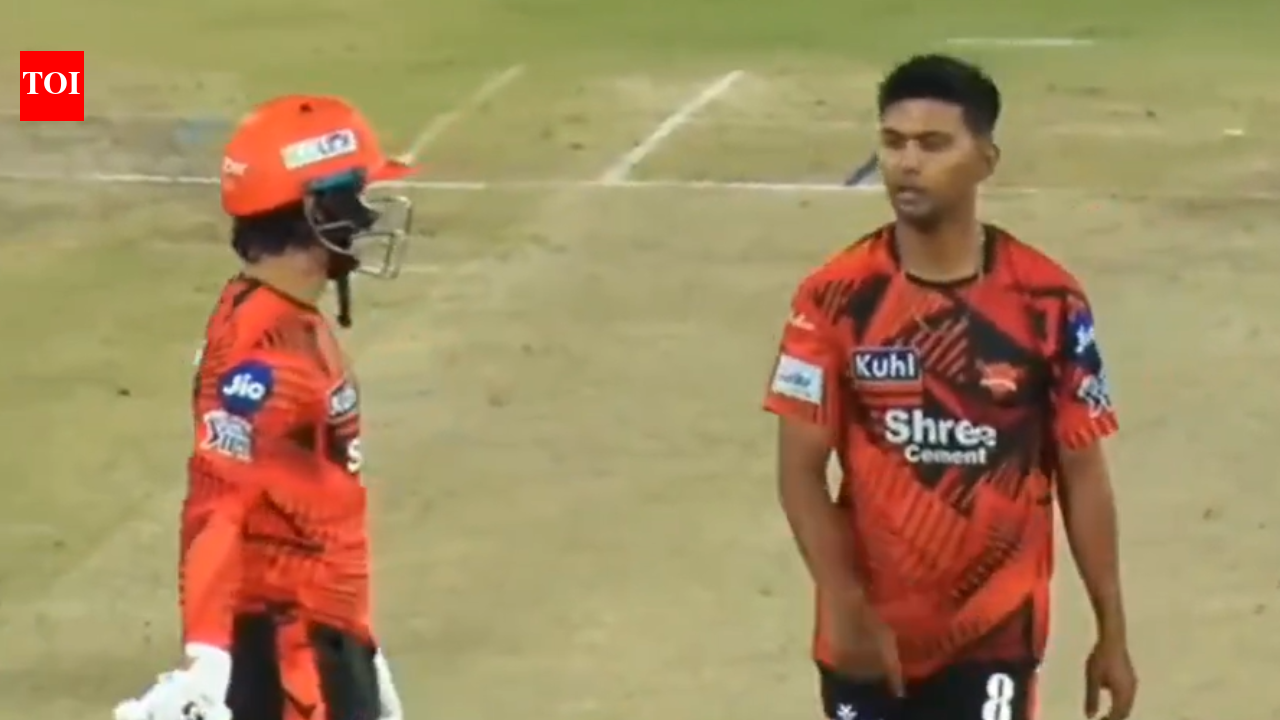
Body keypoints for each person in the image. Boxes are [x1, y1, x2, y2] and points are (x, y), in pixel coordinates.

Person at [763, 54, 1138, 720]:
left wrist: (1112, 629)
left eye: (933, 144)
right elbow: (799, 471)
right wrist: (845, 604)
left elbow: (1082, 471)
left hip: (994, 635)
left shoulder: (1047, 302)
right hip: (867, 639)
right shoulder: (833, 298)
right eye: (893, 142)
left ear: (985, 160)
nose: (908, 163)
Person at [114, 95, 417, 720]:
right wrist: (207, 659)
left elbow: (317, 496)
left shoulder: (288, 317)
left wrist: (360, 641)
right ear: (314, 211)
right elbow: (217, 505)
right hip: (293, 658)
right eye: (354, 200)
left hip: (323, 635)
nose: (366, 218)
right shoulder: (262, 354)